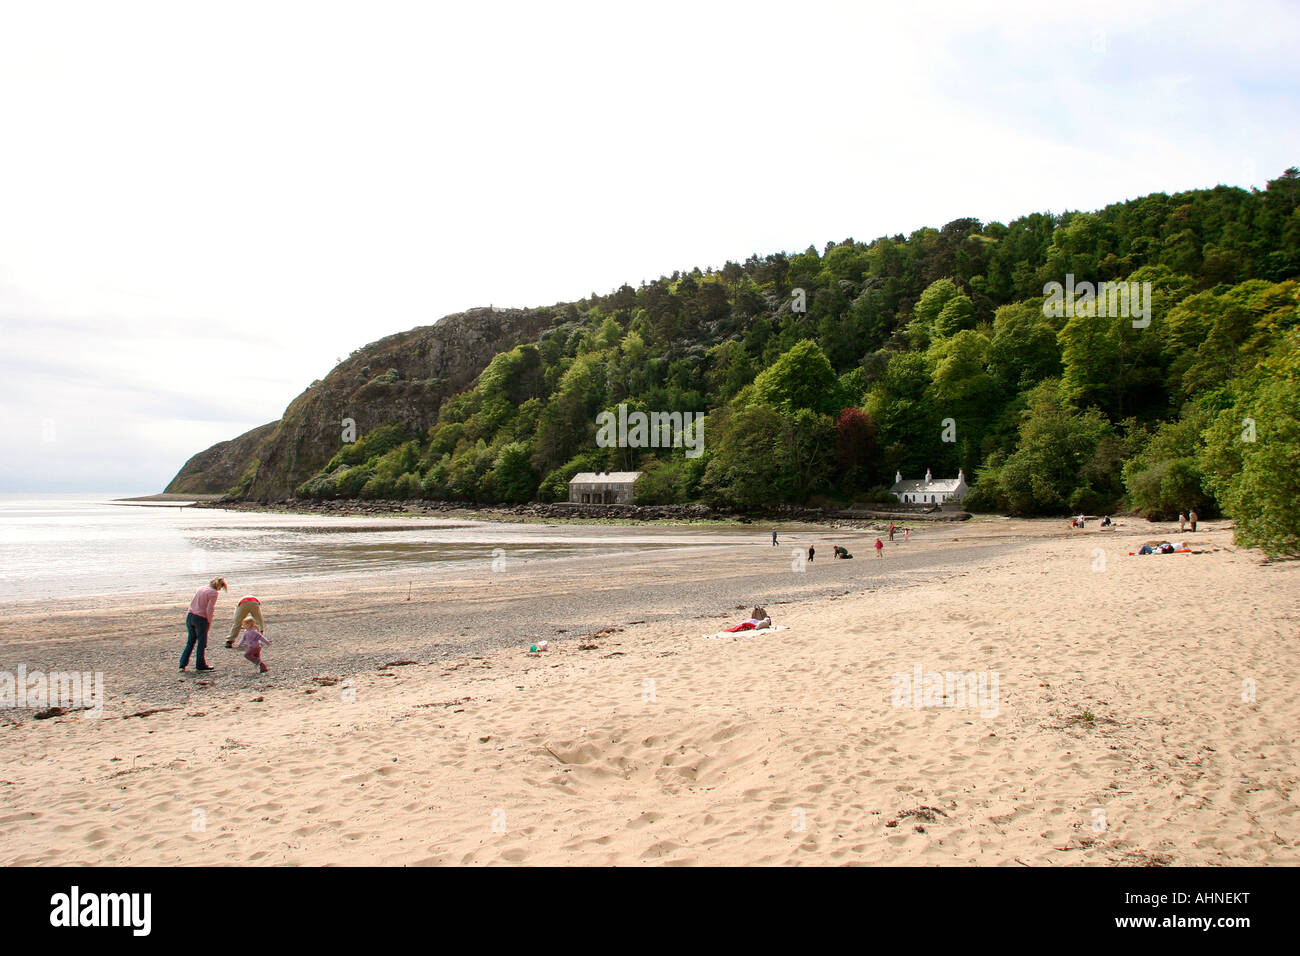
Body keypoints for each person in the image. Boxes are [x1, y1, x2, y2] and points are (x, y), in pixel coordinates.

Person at [181, 577, 226, 672]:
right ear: (219, 586)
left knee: (190, 642)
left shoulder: (200, 588)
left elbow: (192, 602)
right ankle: (200, 664)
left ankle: (182, 664)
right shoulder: (213, 593)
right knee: (201, 643)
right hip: (201, 618)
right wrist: (209, 622)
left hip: (190, 615)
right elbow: (209, 609)